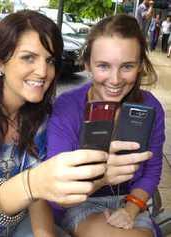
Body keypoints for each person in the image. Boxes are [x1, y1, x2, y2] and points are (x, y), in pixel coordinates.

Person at [0, 10, 111, 237]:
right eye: (28, 58)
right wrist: (31, 183)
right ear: (0, 63)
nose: (43, 72)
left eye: (50, 60)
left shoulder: (38, 117)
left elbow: (38, 199)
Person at [47, 14, 165, 237]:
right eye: (103, 66)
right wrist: (104, 176)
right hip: (81, 203)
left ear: (140, 66)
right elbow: (59, 185)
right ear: (87, 64)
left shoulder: (150, 107)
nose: (115, 79)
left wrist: (130, 210)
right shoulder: (68, 107)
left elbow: (152, 170)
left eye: (127, 66)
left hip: (132, 202)